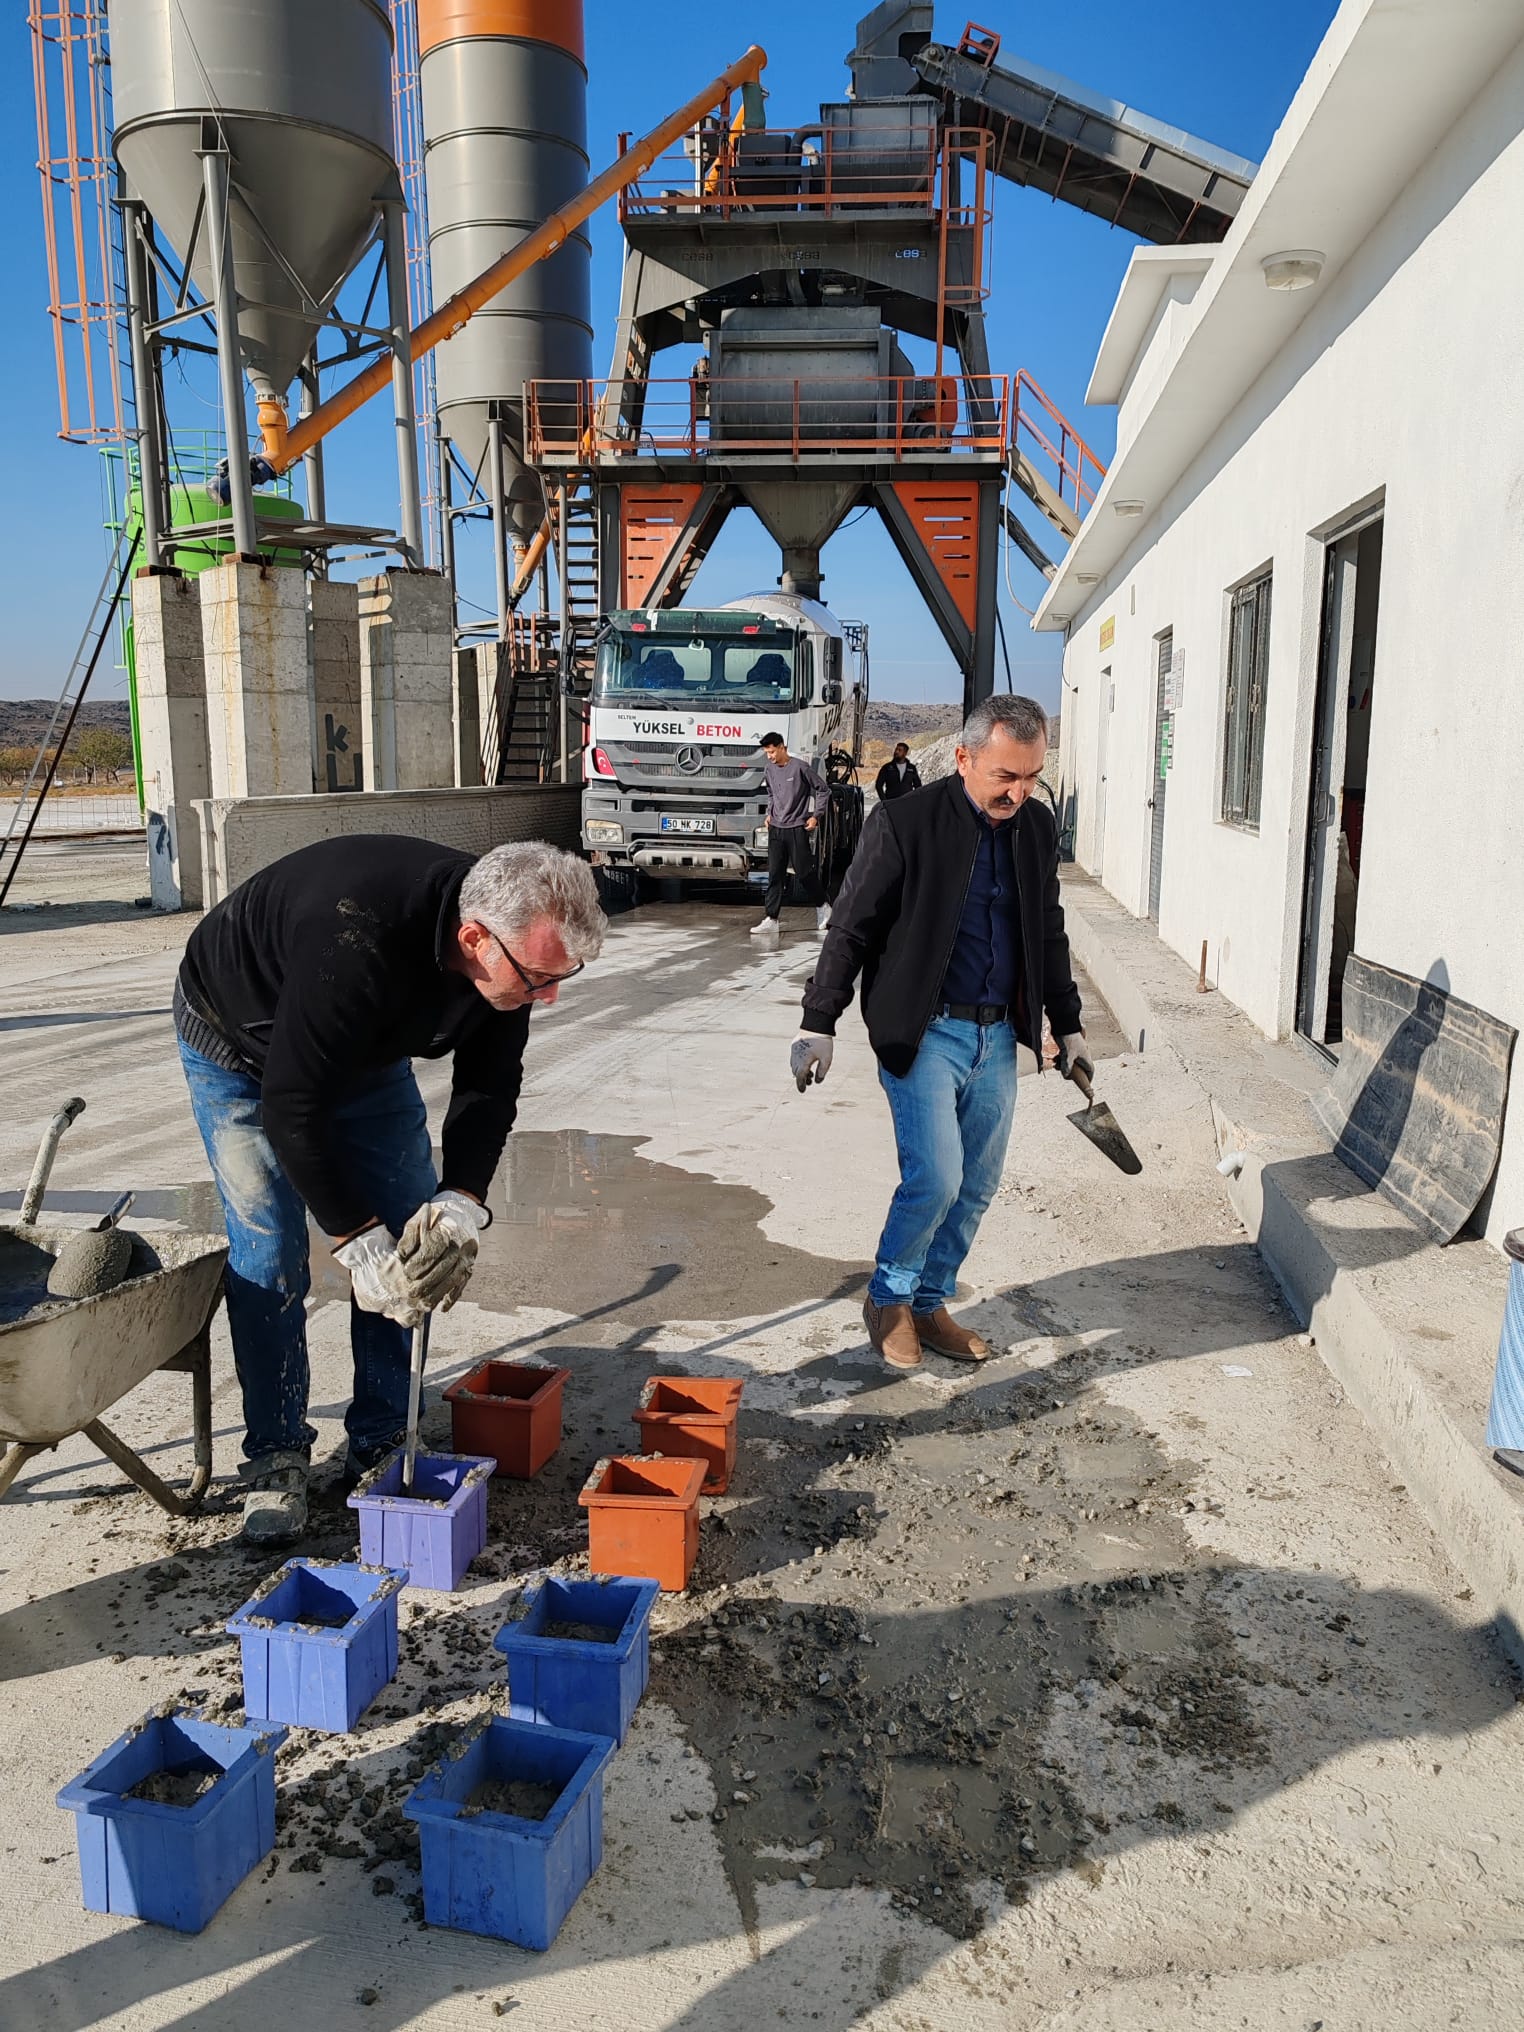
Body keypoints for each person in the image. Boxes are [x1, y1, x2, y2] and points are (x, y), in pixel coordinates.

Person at [174, 835, 606, 1544]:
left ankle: (380, 1436)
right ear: (474, 939)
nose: (550, 996)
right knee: (270, 1249)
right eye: (539, 978)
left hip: (358, 1045)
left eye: (563, 976)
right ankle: (276, 1455)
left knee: (414, 1240)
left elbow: (491, 1084)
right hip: (240, 1045)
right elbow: (292, 1107)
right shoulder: (356, 938)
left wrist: (461, 1198)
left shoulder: (509, 952)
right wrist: (354, 1237)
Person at [789, 695, 1091, 1371]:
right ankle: (888, 1298)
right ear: (963, 758)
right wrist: (819, 1021)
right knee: (937, 1177)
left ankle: (929, 1301)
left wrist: (1067, 1023)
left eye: (1032, 776)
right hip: (924, 1034)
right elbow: (852, 926)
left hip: (997, 1037)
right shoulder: (905, 822)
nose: (1019, 792)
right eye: (1005, 776)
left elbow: (1048, 928)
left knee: (978, 1182)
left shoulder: (1036, 827)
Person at [752, 731, 830, 947]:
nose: (769, 756)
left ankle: (823, 906)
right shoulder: (769, 769)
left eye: (772, 752)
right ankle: (771, 919)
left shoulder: (800, 768)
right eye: (767, 753)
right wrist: (769, 812)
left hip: (796, 827)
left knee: (804, 873)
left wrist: (816, 816)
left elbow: (823, 790)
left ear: (782, 747)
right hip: (776, 828)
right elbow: (771, 794)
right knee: (774, 874)